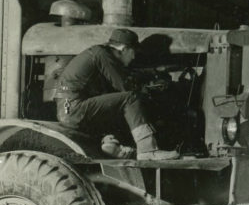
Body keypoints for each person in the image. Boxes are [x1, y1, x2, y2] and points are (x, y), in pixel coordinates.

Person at [54, 28, 178, 160]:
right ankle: (148, 149)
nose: (134, 57)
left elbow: (114, 87)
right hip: (74, 109)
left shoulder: (98, 53)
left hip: (67, 110)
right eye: (133, 52)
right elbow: (124, 87)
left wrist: (151, 73)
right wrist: (147, 90)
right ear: (124, 49)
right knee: (131, 98)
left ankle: (110, 143)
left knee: (116, 104)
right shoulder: (102, 54)